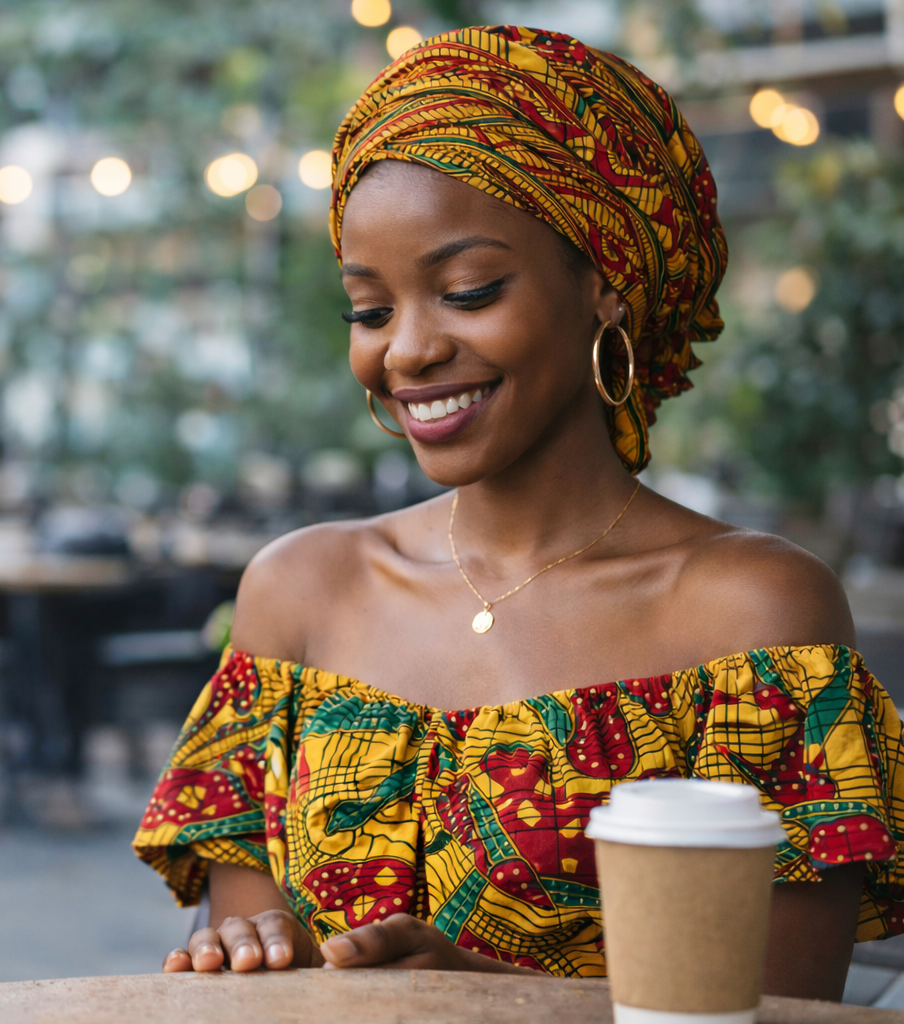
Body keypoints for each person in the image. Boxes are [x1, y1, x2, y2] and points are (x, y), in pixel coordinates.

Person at [133, 25, 904, 1002]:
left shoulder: (753, 618)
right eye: (370, 310)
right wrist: (240, 957)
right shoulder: (298, 593)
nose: (405, 351)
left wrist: (493, 999)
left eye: (469, 290)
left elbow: (782, 1010)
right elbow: (249, 946)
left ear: (606, 286)